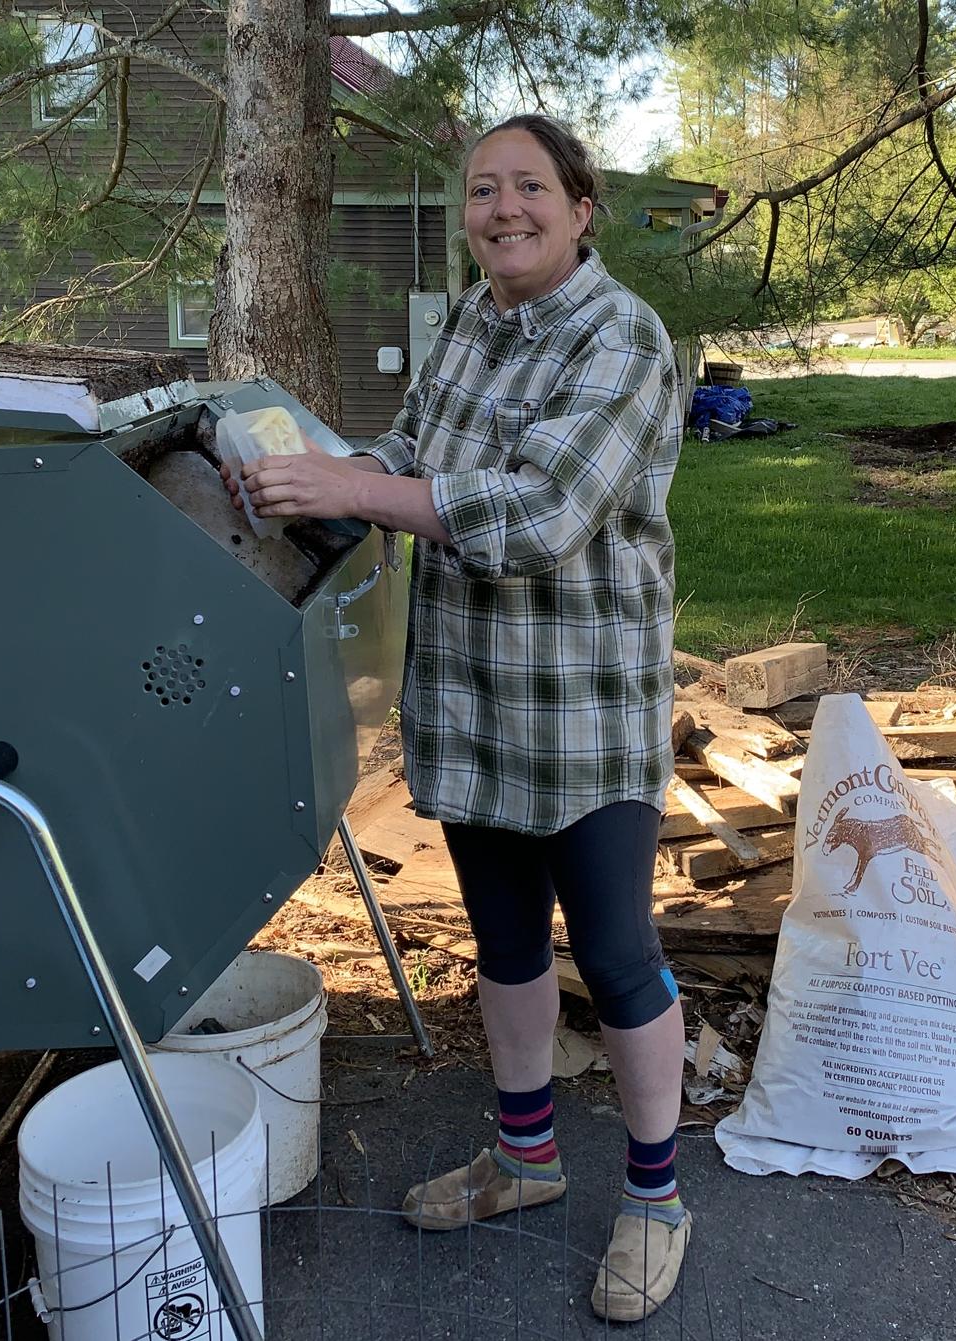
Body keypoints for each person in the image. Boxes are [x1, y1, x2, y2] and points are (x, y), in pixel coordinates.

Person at [223, 114, 687, 1322]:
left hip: (583, 716)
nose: (503, 210)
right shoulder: (473, 323)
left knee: (619, 956)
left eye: (528, 187)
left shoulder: (622, 335)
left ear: (581, 209)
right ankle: (524, 1158)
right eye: (483, 191)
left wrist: (358, 486)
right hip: (475, 706)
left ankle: (654, 1199)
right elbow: (411, 455)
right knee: (507, 947)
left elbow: (538, 515)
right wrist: (299, 476)